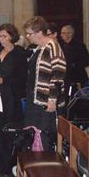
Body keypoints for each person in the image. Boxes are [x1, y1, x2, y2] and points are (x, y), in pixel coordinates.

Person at [24, 16, 66, 150]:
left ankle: (45, 165)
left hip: (46, 101)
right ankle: (36, 161)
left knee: (44, 135)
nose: (27, 36)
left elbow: (58, 75)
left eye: (29, 33)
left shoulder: (53, 46)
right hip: (35, 98)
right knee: (34, 132)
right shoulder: (40, 48)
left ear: (39, 33)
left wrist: (52, 100)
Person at [0, 23, 27, 176]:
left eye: (4, 36)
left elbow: (22, 78)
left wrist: (3, 80)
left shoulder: (19, 53)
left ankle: (10, 163)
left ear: (12, 37)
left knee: (9, 129)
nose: (1, 39)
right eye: (0, 36)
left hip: (11, 96)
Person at [60, 24, 89, 90]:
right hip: (66, 77)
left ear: (70, 34)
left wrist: (73, 65)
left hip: (77, 77)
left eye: (63, 33)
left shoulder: (79, 45)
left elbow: (86, 60)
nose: (61, 35)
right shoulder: (62, 46)